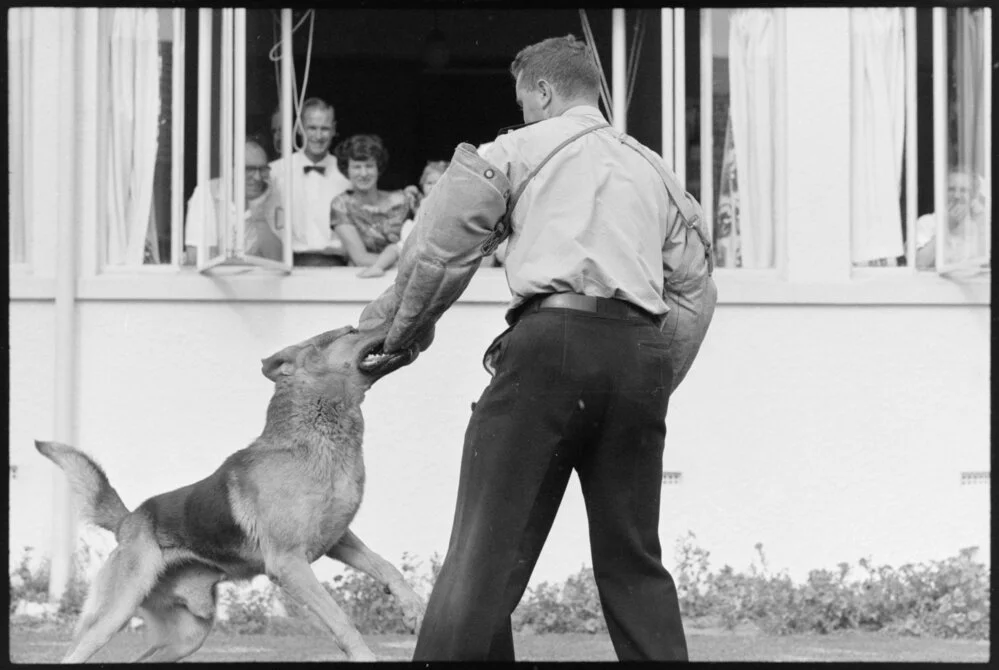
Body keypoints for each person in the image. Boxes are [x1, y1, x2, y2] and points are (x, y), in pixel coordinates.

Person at [357, 35, 716, 661]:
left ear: (543, 91)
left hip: (549, 343)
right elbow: (694, 296)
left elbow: (437, 253)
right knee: (634, 562)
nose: (522, 111)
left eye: (524, 98)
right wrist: (651, 380)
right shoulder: (655, 169)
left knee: (482, 554)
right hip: (637, 354)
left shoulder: (511, 150)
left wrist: (394, 336)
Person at [268, 97, 353, 266]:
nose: (318, 136)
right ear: (300, 129)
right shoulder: (276, 172)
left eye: (325, 129)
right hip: (288, 264)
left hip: (337, 266)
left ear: (334, 129)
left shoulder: (347, 174)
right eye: (312, 128)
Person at [184, 138, 283, 264]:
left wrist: (259, 217)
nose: (258, 177)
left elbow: (278, 260)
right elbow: (196, 257)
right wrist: (254, 264)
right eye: (249, 169)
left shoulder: (271, 194)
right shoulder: (207, 193)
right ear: (230, 169)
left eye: (262, 170)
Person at [329, 134, 415, 277]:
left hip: (405, 281)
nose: (363, 173)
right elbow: (360, 258)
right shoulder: (341, 205)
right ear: (346, 170)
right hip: (363, 279)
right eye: (357, 167)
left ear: (378, 168)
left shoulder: (402, 201)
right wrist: (407, 266)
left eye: (369, 166)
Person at [915, 167, 989, 270]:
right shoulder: (927, 222)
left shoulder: (980, 224)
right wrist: (945, 227)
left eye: (963, 190)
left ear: (973, 195)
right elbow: (919, 264)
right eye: (951, 189)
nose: (957, 196)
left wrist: (981, 219)